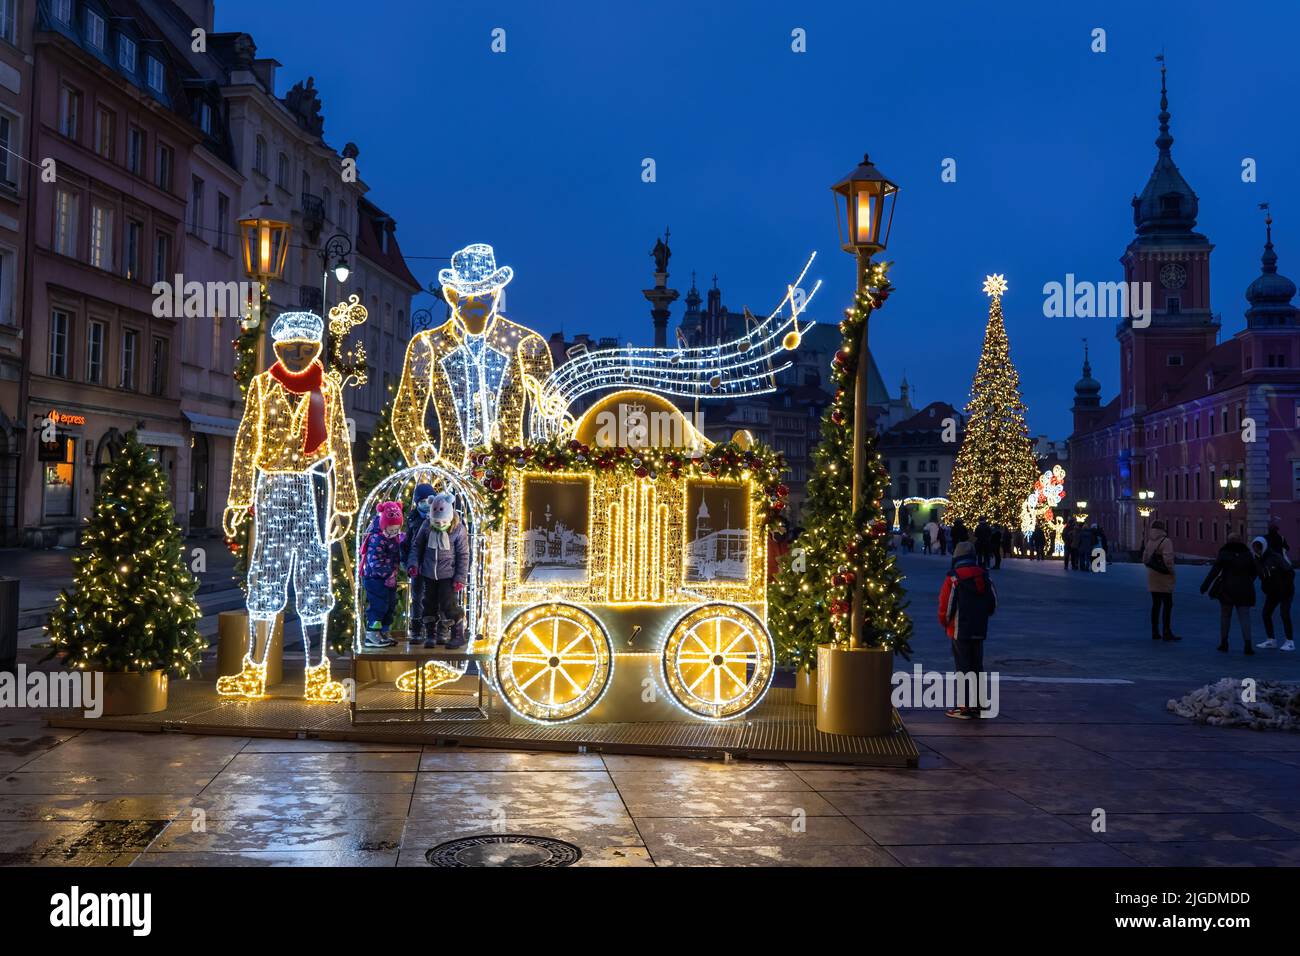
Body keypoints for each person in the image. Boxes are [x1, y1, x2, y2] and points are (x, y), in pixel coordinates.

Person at [218, 311, 357, 701]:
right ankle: (253, 669)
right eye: (290, 348)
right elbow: (246, 442)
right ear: (277, 348)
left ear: (317, 349)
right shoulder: (262, 387)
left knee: (315, 578)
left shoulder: (327, 388)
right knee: (266, 574)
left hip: (314, 487)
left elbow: (341, 448)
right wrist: (239, 498)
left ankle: (317, 673)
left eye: (308, 348)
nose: (298, 355)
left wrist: (343, 503)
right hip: (274, 485)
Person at [938, 541, 997, 720]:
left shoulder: (954, 578)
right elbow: (993, 603)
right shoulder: (985, 576)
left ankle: (964, 707)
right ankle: (978, 705)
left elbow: (946, 605)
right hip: (979, 628)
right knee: (977, 666)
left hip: (959, 629)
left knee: (963, 667)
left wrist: (945, 622)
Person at [409, 493, 470, 649]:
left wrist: (460, 577)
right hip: (429, 573)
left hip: (448, 575)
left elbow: (463, 554)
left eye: (443, 521)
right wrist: (413, 564)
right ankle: (431, 635)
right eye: (436, 521)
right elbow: (417, 546)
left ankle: (457, 633)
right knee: (428, 604)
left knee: (448, 605)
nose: (440, 524)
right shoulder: (426, 526)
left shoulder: (458, 529)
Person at [1200, 533, 1258, 655]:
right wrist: (1248, 581)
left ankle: (1224, 643)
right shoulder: (1247, 554)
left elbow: (1214, 571)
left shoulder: (1224, 553)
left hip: (1227, 589)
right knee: (1245, 617)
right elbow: (1254, 572)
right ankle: (1248, 645)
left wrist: (1205, 586)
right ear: (1240, 541)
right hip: (1245, 589)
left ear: (1228, 541)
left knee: (1225, 616)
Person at [360, 501, 405, 648]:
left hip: (388, 579)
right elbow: (374, 561)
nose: (394, 533)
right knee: (379, 606)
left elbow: (396, 555)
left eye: (396, 529)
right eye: (391, 529)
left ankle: (384, 631)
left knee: (389, 605)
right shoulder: (377, 538)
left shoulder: (394, 538)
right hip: (375, 579)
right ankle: (372, 633)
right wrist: (388, 574)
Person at [400, 482, 437, 642]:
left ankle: (432, 628)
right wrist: (406, 561)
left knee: (432, 597)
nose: (425, 505)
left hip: (433, 564)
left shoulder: (439, 516)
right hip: (416, 565)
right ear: (417, 503)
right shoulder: (413, 519)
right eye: (421, 502)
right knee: (417, 598)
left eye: (429, 501)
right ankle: (416, 628)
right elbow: (408, 543)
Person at [1252, 536, 1295, 651]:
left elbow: (1290, 572)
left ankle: (1290, 641)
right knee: (1266, 614)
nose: (1256, 550)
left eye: (1258, 547)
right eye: (1254, 547)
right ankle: (1271, 640)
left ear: (1263, 546)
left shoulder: (1275, 557)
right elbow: (1254, 575)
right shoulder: (1257, 559)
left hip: (1285, 590)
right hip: (1272, 591)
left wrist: (1286, 587)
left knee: (1284, 614)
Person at [1141, 519, 1178, 642]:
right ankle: (1167, 632)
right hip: (1164, 577)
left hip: (1152, 576)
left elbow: (1145, 558)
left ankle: (1155, 631)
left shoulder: (1150, 541)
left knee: (1156, 605)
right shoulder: (1166, 541)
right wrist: (1172, 572)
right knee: (1168, 605)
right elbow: (1168, 559)